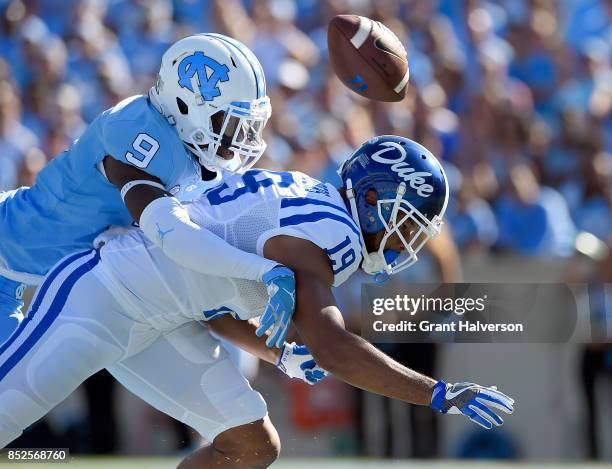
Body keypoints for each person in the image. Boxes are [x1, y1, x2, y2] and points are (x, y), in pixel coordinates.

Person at [0, 135, 514, 468]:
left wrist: (273, 351)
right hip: (103, 293)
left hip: (166, 322)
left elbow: (210, 299)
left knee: (249, 446)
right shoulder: (332, 234)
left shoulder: (309, 199)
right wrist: (438, 393)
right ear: (375, 199)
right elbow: (334, 347)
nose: (407, 242)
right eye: (407, 222)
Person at [0, 34, 295, 347]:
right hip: (10, 258)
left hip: (57, 281)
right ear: (187, 104)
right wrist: (261, 270)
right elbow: (174, 235)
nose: (239, 140)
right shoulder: (141, 133)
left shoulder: (191, 161)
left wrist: (275, 353)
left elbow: (198, 287)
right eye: (230, 122)